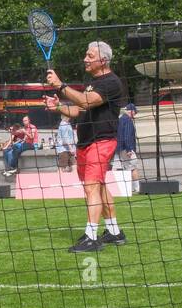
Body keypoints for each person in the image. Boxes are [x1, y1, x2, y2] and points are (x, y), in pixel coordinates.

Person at [44, 40, 127, 253]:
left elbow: (87, 102)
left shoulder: (111, 82)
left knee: (91, 186)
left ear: (103, 60)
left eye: (90, 56)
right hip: (86, 142)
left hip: (102, 141)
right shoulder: (93, 82)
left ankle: (91, 237)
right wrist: (59, 107)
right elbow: (81, 110)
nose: (85, 59)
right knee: (98, 186)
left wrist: (60, 86)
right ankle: (114, 232)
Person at [116, 103, 141, 192]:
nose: (135, 114)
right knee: (133, 167)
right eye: (135, 112)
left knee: (125, 168)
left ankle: (126, 188)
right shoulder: (128, 120)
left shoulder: (120, 119)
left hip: (120, 148)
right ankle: (137, 188)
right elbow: (127, 136)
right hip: (127, 149)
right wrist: (129, 149)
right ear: (132, 111)